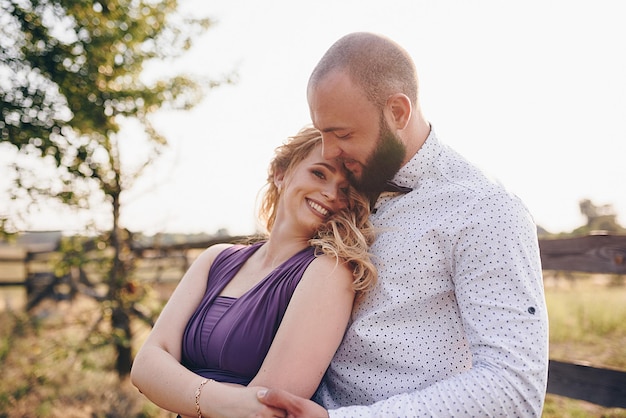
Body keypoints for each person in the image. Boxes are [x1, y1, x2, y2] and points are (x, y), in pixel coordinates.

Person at [257, 32, 549, 417]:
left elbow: (514, 389)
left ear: (397, 112)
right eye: (322, 132)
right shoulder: (343, 194)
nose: (329, 151)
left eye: (342, 134)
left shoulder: (484, 210)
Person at [130, 126, 377, 418]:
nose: (331, 193)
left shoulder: (329, 272)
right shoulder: (216, 259)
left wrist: (177, 388)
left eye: (345, 189)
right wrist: (220, 401)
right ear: (281, 172)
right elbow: (145, 365)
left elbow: (266, 409)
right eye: (319, 174)